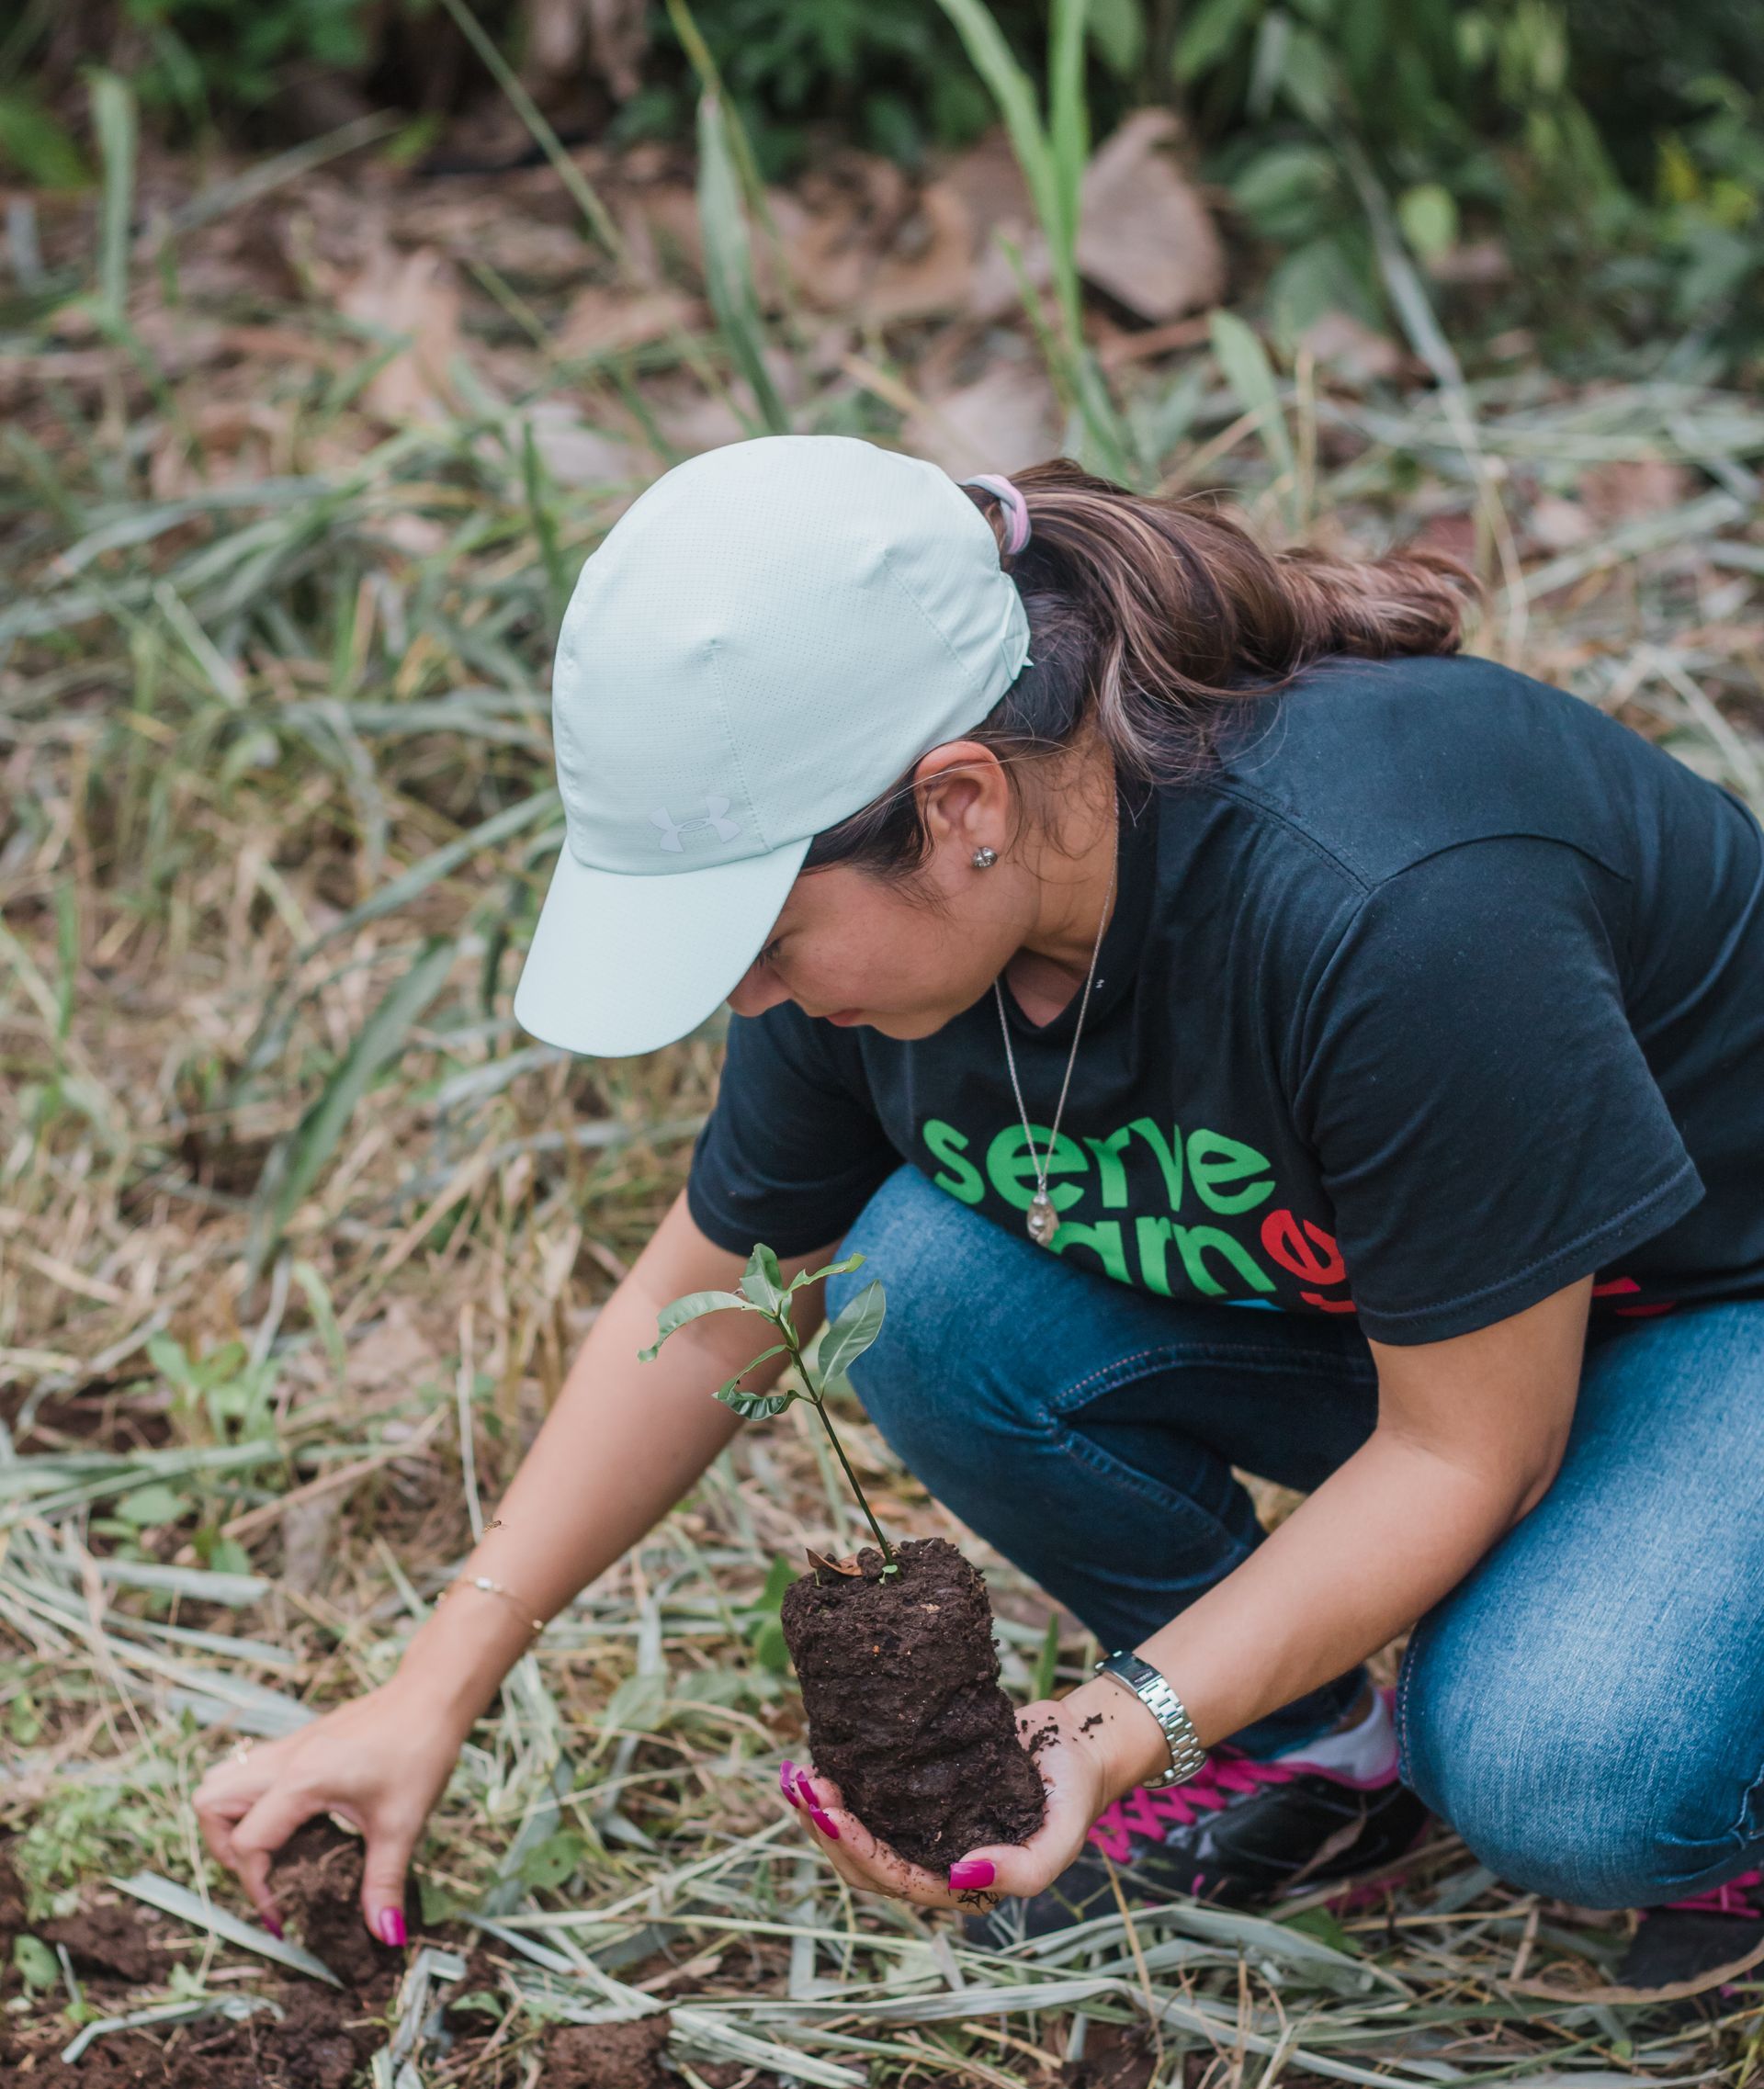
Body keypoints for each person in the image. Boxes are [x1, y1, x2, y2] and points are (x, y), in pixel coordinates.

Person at [195, 435, 1764, 1996]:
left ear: (959, 803)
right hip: (1412, 1317)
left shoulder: (1394, 905)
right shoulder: (893, 927)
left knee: (1564, 1767)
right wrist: (432, 1688)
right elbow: (718, 1297)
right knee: (920, 1285)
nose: (742, 994)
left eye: (762, 933)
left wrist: (1113, 1727)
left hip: (1707, 1316)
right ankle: (1313, 1754)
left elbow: (1471, 1447)